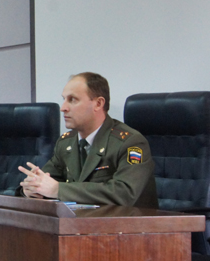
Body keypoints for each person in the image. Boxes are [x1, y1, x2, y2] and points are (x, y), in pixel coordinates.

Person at [18, 72, 158, 207]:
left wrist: (58, 190)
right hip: (79, 221)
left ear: (98, 103)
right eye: (64, 99)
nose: (63, 108)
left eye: (73, 100)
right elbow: (48, 180)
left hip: (126, 222)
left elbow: (124, 193)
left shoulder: (129, 143)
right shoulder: (66, 143)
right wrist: (31, 189)